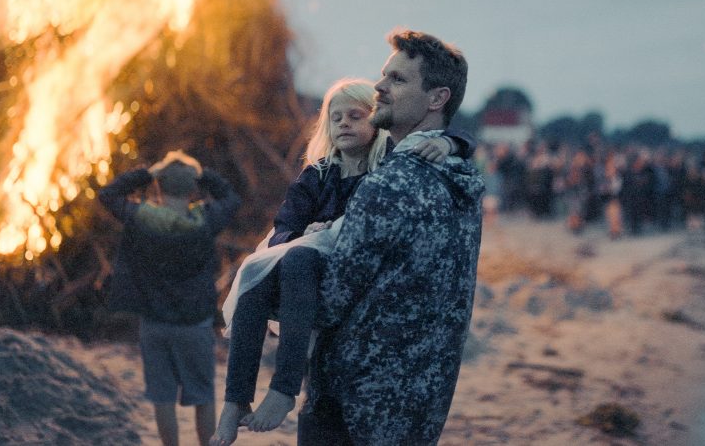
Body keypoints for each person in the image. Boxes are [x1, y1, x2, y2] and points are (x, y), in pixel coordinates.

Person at [210, 78, 469, 444]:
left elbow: (464, 142)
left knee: (298, 258)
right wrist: (304, 235)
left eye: (355, 116)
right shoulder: (317, 175)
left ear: (376, 122)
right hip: (304, 264)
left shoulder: (386, 169)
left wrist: (448, 141)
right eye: (336, 118)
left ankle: (284, 388)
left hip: (346, 268)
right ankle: (235, 401)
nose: (344, 123)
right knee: (255, 270)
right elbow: (284, 227)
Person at [299, 29, 484, 445]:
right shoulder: (461, 181)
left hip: (353, 407)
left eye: (397, 80)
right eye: (384, 76)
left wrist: (287, 265)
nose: (379, 87)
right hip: (422, 406)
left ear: (437, 98)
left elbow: (328, 303)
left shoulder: (388, 187)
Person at [97, 150, 239, 446]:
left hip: (154, 324)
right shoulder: (206, 220)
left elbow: (108, 194)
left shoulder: (140, 217)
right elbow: (231, 199)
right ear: (192, 189)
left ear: (157, 187)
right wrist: (203, 172)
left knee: (162, 396)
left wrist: (146, 172)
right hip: (196, 325)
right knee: (203, 395)